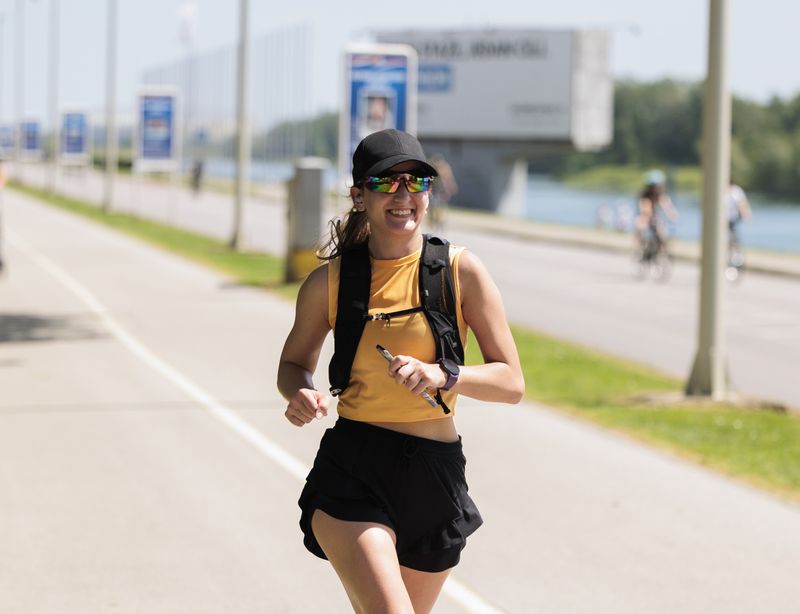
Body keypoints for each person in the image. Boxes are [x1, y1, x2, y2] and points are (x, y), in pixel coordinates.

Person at [277, 128, 524, 614]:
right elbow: (293, 364)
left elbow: (511, 383)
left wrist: (444, 375)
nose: (402, 195)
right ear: (358, 196)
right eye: (385, 183)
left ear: (428, 194)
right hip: (354, 469)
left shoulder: (460, 271)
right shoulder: (328, 283)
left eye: (415, 182)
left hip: (436, 474)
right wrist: (300, 392)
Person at [634, 169, 678, 248]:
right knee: (639, 226)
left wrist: (672, 215)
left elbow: (667, 206)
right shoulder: (645, 196)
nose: (656, 188)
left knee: (662, 232)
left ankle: (663, 248)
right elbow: (645, 208)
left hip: (654, 218)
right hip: (645, 217)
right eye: (654, 186)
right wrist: (647, 214)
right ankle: (640, 246)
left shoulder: (661, 196)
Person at [428, 153, 458, 230]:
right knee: (432, 206)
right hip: (434, 190)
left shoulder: (445, 169)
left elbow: (449, 179)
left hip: (442, 191)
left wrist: (450, 188)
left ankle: (440, 222)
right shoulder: (432, 169)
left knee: (441, 207)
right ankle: (433, 221)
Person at [727, 179, 752, 243]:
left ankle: (735, 248)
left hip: (733, 217)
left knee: (732, 232)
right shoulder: (721, 189)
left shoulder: (736, 190)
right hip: (724, 216)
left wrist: (746, 214)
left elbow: (742, 203)